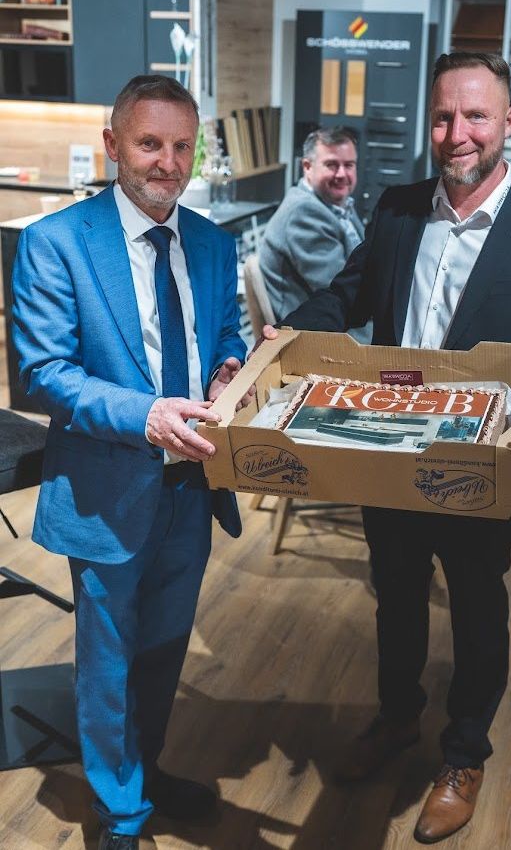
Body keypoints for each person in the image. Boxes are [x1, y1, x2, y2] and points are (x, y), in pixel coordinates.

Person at [260, 52, 511, 844]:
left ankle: (464, 754)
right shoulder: (396, 210)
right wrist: (288, 334)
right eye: (443, 117)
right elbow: (345, 296)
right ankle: (397, 718)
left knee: (477, 606)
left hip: (481, 469)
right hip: (388, 455)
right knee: (393, 594)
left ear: (508, 122)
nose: (457, 133)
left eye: (476, 116)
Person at [12, 75, 252, 850]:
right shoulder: (57, 242)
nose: (167, 162)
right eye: (150, 143)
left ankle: (143, 770)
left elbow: (227, 335)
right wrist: (145, 416)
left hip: (193, 486)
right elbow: (44, 373)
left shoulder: (213, 243)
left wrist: (229, 368)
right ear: (114, 144)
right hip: (108, 487)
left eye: (182, 147)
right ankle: (120, 812)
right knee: (109, 664)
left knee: (164, 650)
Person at [259, 126, 371, 343]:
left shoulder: (337, 204)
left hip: (340, 326)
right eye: (331, 165)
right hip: (314, 339)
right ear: (307, 167)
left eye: (349, 165)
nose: (342, 174)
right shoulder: (304, 213)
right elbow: (343, 294)